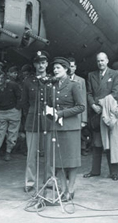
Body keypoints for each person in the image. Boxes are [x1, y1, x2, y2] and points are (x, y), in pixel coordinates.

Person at [48, 57, 85, 201]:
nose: (55, 70)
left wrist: (62, 113)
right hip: (57, 126)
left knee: (72, 161)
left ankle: (71, 189)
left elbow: (81, 106)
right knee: (59, 161)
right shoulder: (53, 85)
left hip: (71, 128)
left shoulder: (74, 85)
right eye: (54, 68)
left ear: (66, 69)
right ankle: (63, 190)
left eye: (58, 68)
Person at [84, 52, 118, 181]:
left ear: (107, 60)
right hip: (95, 112)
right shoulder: (91, 75)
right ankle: (95, 170)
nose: (100, 63)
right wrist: (93, 105)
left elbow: (116, 93)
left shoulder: (115, 74)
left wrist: (101, 103)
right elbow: (88, 93)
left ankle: (114, 172)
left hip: (108, 113)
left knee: (111, 143)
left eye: (102, 60)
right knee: (97, 143)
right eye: (98, 61)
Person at [20, 50, 53, 192]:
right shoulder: (28, 82)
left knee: (49, 153)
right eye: (38, 62)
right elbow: (24, 103)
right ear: (34, 64)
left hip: (48, 120)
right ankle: (30, 182)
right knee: (31, 154)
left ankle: (50, 180)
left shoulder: (52, 80)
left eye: (43, 62)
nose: (41, 65)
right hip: (32, 120)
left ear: (47, 64)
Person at [0, 71, 22, 161]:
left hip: (13, 111)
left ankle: (8, 152)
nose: (1, 80)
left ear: (5, 78)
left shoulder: (13, 85)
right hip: (2, 112)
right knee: (0, 132)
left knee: (13, 133)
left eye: (2, 78)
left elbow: (20, 97)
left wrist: (17, 108)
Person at [68, 57, 88, 156]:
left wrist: (84, 119)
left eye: (72, 66)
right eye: (68, 66)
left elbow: (83, 99)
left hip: (77, 114)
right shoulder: (62, 79)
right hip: (66, 113)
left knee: (77, 136)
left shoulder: (81, 81)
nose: (70, 69)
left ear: (75, 67)